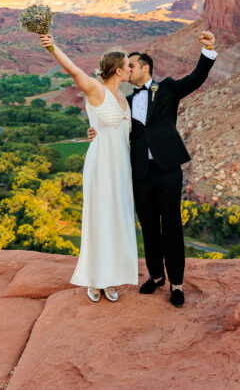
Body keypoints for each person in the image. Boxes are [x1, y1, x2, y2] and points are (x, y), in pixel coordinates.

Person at [90, 31, 217, 307]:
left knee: (172, 226)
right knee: (148, 227)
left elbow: (196, 78)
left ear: (145, 67)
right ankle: (156, 276)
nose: (128, 69)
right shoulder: (125, 99)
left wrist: (208, 50)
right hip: (140, 173)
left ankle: (177, 284)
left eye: (132, 65)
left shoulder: (169, 88)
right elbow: (114, 126)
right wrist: (95, 132)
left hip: (169, 169)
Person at [38, 32, 138, 302]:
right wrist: (53, 47)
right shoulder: (97, 90)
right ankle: (94, 280)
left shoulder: (123, 99)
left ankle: (111, 278)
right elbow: (74, 71)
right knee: (99, 219)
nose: (131, 69)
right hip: (101, 163)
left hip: (120, 167)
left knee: (117, 219)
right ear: (118, 70)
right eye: (128, 65)